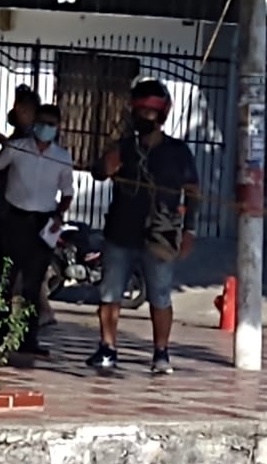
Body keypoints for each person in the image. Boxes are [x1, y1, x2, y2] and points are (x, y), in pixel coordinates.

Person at [86, 77, 200, 375]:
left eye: (149, 112)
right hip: (121, 232)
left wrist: (190, 230)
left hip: (162, 234)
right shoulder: (123, 148)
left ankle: (161, 353)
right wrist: (107, 165)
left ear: (161, 115)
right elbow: (98, 172)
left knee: (160, 295)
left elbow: (194, 192)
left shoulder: (178, 152)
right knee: (110, 293)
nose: (142, 117)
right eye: (139, 111)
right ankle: (107, 347)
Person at [0, 104, 75, 357]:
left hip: (43, 222)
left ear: (58, 128)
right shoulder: (18, 148)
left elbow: (67, 192)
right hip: (13, 219)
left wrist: (59, 215)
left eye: (51, 124)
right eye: (42, 122)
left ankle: (27, 338)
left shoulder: (62, 157)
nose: (46, 128)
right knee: (6, 280)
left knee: (33, 285)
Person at [0, 85, 41, 281]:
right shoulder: (17, 140)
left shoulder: (31, 142)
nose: (19, 113)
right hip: (6, 209)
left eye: (24, 110)